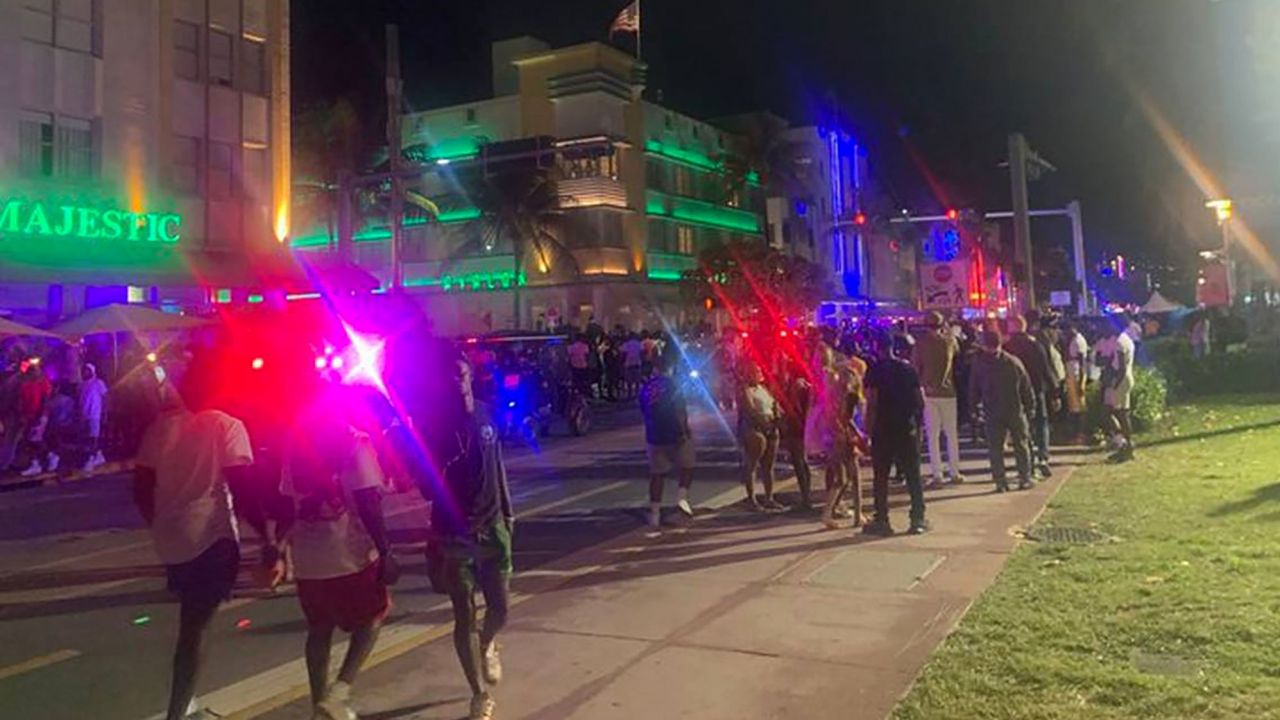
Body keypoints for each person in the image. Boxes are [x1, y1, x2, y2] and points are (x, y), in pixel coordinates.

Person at [133, 361, 279, 720]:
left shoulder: (160, 427)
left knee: (192, 621)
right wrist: (269, 539)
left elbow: (140, 489)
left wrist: (161, 524)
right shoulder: (227, 426)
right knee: (196, 627)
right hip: (210, 539)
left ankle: (189, 704)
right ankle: (179, 711)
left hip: (170, 540)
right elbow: (243, 491)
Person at [284, 386, 399, 720]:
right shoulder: (354, 441)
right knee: (374, 616)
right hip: (348, 553)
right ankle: (340, 691)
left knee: (319, 628)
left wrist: (278, 547)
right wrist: (386, 551)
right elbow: (368, 502)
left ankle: (318, 703)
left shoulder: (296, 443)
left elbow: (285, 499)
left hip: (308, 557)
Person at [424, 355, 514, 720]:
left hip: (493, 525)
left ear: (470, 377)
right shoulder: (435, 426)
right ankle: (478, 694)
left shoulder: (487, 414)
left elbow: (498, 464)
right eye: (448, 376)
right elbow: (426, 483)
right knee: (464, 612)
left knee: (501, 608)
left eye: (459, 374)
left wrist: (508, 510)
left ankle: (489, 642)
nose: (455, 381)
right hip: (454, 531)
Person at [864, 332, 927, 536]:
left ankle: (882, 519)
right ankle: (917, 517)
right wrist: (918, 425)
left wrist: (867, 430)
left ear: (877, 347)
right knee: (913, 475)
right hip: (906, 428)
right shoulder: (908, 368)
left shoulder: (874, 371)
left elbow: (871, 403)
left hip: (883, 429)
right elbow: (920, 400)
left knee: (880, 476)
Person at [969, 330, 1036, 492]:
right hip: (1014, 408)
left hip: (992, 409)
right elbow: (1026, 386)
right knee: (1021, 444)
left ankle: (1000, 481)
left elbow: (973, 388)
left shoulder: (979, 364)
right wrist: (1030, 406)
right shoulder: (1013, 362)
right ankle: (1024, 478)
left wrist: (973, 409)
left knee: (995, 447)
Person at [638, 353, 695, 529]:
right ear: (670, 368)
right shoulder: (673, 385)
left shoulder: (646, 387)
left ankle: (655, 513)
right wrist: (684, 430)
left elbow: (642, 409)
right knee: (687, 466)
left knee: (657, 475)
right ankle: (682, 499)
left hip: (654, 436)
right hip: (676, 434)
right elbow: (679, 409)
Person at [911, 311, 965, 487]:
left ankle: (937, 475)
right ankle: (955, 471)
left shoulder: (920, 344)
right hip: (949, 392)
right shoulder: (950, 341)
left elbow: (915, 367)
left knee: (932, 436)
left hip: (929, 392)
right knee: (951, 434)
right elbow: (958, 353)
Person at [1004, 316, 1053, 478]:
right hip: (1037, 390)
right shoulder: (1035, 345)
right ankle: (1043, 457)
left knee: (1023, 430)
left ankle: (1028, 462)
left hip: (1015, 394)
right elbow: (1046, 370)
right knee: (1041, 424)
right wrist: (1054, 392)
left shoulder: (1007, 348)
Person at [737, 362, 783, 510]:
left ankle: (769, 498)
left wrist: (777, 414)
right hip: (755, 428)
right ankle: (751, 499)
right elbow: (750, 409)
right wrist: (762, 423)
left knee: (768, 466)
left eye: (759, 370)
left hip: (771, 427)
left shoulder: (763, 389)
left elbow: (774, 405)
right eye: (755, 371)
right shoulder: (745, 390)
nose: (759, 373)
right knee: (752, 464)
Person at [776, 357, 814, 509]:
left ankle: (806, 498)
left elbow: (793, 407)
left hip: (796, 426)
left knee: (799, 462)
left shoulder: (796, 385)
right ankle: (806, 495)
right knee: (802, 461)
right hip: (802, 425)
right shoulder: (805, 384)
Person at [1103, 322, 1136, 462]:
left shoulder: (1120, 342)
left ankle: (1124, 444)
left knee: (1113, 412)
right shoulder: (1126, 339)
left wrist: (1114, 384)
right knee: (1122, 413)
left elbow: (1121, 367)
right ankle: (1126, 445)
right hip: (1125, 378)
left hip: (1120, 379)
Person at [1061, 322, 1090, 444]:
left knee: (1079, 408)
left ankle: (1080, 434)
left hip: (1076, 376)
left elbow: (1082, 363)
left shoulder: (1079, 341)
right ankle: (1075, 435)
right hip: (1070, 375)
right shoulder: (1071, 340)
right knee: (1073, 408)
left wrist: (1082, 382)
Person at [79, 362, 108, 470]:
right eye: (84, 370)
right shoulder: (82, 384)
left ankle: (91, 458)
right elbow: (81, 400)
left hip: (95, 414)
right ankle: (98, 455)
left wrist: (105, 413)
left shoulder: (98, 383)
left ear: (92, 371)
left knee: (93, 438)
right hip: (84, 414)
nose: (85, 372)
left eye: (87, 370)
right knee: (86, 438)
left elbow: (105, 398)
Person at [620, 333, 644, 398]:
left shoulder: (626, 344)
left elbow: (623, 354)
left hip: (628, 364)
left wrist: (622, 362)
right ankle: (636, 393)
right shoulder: (639, 344)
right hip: (637, 364)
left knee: (629, 381)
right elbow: (642, 353)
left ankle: (629, 394)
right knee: (637, 381)